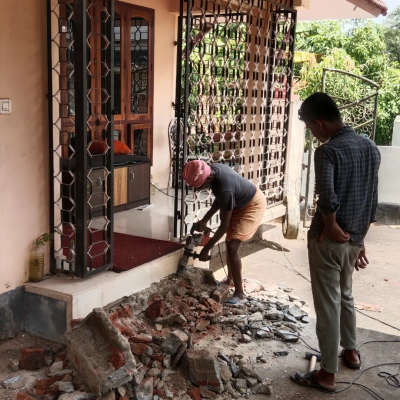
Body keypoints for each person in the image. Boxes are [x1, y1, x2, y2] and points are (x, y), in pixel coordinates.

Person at [291, 93, 381, 393]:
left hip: (328, 240)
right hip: (355, 238)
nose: (313, 134)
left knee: (328, 304)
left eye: (311, 127)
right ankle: (351, 351)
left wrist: (330, 226)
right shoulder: (370, 147)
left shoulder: (328, 152)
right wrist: (360, 239)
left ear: (319, 122)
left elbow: (327, 196)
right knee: (346, 294)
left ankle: (327, 373)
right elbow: (372, 198)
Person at [182, 160, 266, 304]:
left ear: (208, 178)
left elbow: (224, 226)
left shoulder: (225, 188)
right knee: (229, 244)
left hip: (252, 204)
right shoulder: (213, 171)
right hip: (239, 202)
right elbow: (219, 201)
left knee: (232, 246)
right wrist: (204, 221)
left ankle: (240, 294)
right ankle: (230, 280)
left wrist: (207, 249)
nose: (200, 189)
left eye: (201, 186)